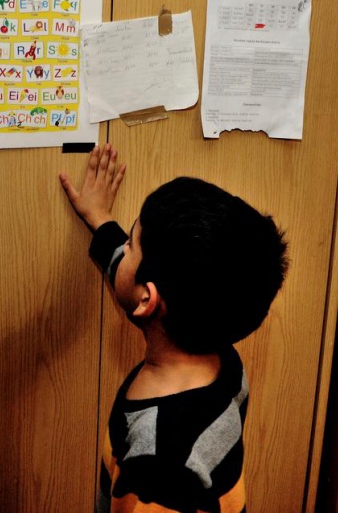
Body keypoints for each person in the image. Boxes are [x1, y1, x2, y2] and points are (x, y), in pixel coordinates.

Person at [59, 144, 289, 513]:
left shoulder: (161, 468)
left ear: (148, 301)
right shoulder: (222, 359)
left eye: (131, 244)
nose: (123, 249)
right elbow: (133, 276)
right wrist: (100, 219)